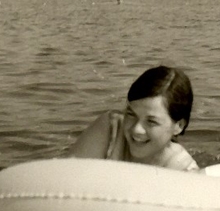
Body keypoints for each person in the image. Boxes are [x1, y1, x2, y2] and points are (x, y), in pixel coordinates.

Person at [68, 65, 198, 171]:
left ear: (178, 126)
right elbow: (69, 176)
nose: (137, 129)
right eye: (131, 114)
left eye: (151, 121)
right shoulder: (111, 129)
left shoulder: (183, 173)